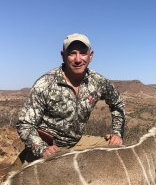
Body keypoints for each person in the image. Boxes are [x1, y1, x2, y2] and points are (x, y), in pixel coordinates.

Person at [13, 33, 125, 168]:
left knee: (116, 148)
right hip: (49, 147)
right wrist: (42, 149)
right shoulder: (46, 83)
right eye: (72, 53)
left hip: (76, 143)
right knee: (16, 184)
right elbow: (24, 124)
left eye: (83, 53)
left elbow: (117, 103)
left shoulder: (98, 82)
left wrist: (117, 133)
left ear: (91, 56)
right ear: (63, 55)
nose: (78, 59)